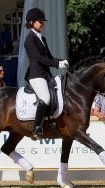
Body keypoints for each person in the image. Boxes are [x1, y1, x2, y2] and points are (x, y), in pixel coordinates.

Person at [24, 8, 69, 140]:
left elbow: (49, 56)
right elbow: (38, 58)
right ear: (32, 22)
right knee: (46, 98)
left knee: (59, 95)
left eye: (43, 22)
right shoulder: (29, 39)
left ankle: (53, 123)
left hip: (46, 74)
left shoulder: (41, 38)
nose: (42, 24)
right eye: (40, 21)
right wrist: (56, 64)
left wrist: (61, 61)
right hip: (36, 75)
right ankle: (36, 128)